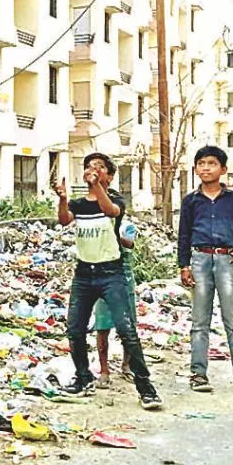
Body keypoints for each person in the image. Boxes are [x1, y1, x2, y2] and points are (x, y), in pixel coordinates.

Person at [55, 152, 163, 409]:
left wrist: (96, 187)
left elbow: (109, 211)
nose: (94, 170)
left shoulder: (115, 200)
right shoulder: (79, 204)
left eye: (100, 167)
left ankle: (145, 388)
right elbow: (64, 220)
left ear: (110, 176)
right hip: (84, 273)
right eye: (89, 166)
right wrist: (63, 199)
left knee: (126, 330)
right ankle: (83, 378)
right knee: (75, 330)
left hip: (111, 273)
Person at [179, 145, 233, 395]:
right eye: (201, 164)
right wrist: (184, 265)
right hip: (200, 260)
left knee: (232, 320)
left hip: (228, 261)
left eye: (212, 163)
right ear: (195, 169)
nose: (206, 168)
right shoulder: (190, 201)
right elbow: (184, 235)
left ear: (223, 169)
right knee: (199, 321)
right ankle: (198, 374)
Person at [92, 226, 138, 388]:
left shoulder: (127, 226)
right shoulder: (95, 225)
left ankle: (126, 365)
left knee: (128, 327)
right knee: (102, 327)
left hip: (124, 283)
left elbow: (129, 243)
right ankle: (104, 371)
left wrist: (112, 234)